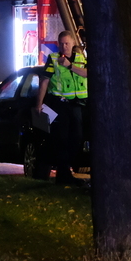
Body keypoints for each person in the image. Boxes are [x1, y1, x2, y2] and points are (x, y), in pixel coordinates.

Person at [35, 31, 88, 186]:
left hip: (76, 104)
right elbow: (44, 81)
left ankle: (65, 171)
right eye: (62, 43)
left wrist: (70, 66)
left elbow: (87, 74)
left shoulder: (79, 58)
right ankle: (63, 174)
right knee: (62, 139)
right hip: (59, 105)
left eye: (67, 43)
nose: (64, 46)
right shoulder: (53, 59)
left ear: (73, 44)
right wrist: (39, 103)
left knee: (77, 138)